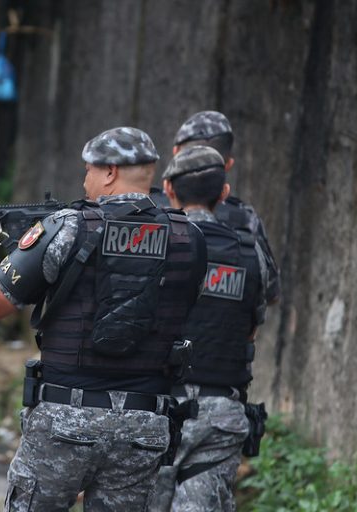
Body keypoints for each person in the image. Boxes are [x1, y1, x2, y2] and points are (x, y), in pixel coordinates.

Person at [0, 126, 208, 511]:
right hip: (144, 427)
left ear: (110, 172)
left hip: (66, 422)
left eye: (89, 171)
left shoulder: (69, 226)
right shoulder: (191, 238)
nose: (85, 181)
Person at [148, 146, 268, 512]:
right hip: (221, 413)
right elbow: (250, 328)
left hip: (157, 410)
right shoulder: (251, 253)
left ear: (168, 188)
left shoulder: (155, 243)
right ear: (224, 194)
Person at [171, 110, 280, 304]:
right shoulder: (246, 219)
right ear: (227, 165)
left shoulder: (152, 211)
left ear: (175, 155)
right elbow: (270, 292)